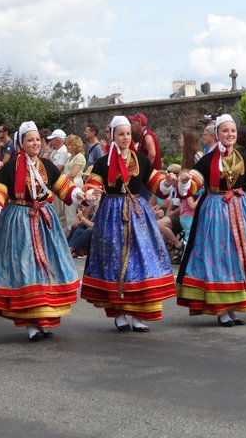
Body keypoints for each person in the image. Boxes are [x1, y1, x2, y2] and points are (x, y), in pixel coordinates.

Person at [177, 114, 246, 327]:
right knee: (220, 256)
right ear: (218, 134)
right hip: (215, 213)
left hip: (240, 209)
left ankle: (233, 306)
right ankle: (222, 309)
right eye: (225, 131)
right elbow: (193, 185)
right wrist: (185, 182)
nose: (230, 134)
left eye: (233, 131)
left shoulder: (241, 158)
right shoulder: (208, 160)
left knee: (240, 257)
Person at [0, 121, 91, 342]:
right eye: (29, 140)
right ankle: (31, 323)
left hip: (44, 222)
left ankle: (43, 318)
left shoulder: (46, 165)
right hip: (19, 222)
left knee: (46, 268)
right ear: (21, 143)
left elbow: (64, 187)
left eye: (36, 140)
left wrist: (79, 194)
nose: (34, 143)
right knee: (26, 269)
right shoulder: (11, 167)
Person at [81, 115, 177, 333]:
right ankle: (119, 313)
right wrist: (91, 192)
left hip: (137, 215)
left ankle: (138, 313)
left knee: (141, 260)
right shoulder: (103, 163)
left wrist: (167, 182)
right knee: (114, 263)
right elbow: (92, 187)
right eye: (121, 134)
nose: (125, 138)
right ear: (113, 136)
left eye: (127, 134)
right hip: (111, 217)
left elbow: (156, 184)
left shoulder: (141, 160)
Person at [47, 129, 71, 234]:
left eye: (52, 139)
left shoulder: (64, 151)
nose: (51, 142)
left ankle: (63, 234)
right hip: (54, 184)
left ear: (57, 140)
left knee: (61, 212)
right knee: (56, 211)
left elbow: (58, 169)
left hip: (59, 183)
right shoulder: (55, 151)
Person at [63, 134, 87, 229]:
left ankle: (73, 230)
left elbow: (73, 173)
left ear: (74, 145)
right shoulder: (69, 157)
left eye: (68, 144)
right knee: (67, 210)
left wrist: (62, 182)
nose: (66, 146)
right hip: (68, 182)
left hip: (75, 182)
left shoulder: (79, 157)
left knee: (72, 210)